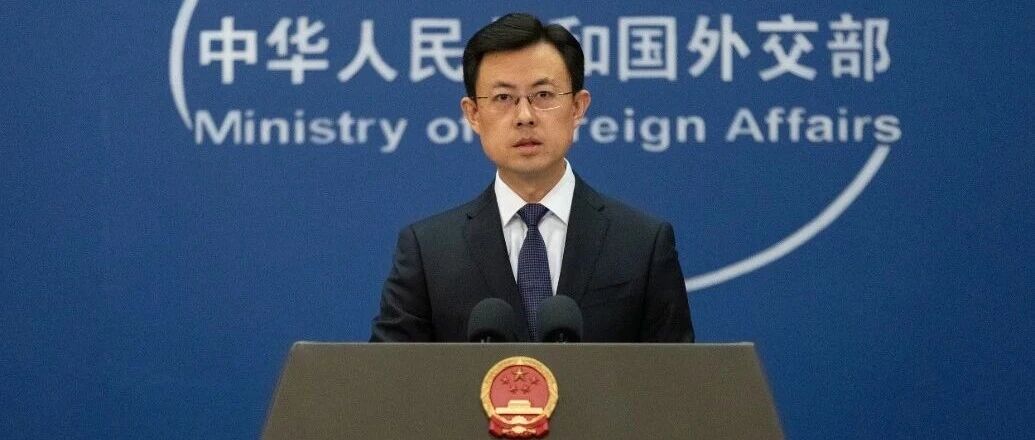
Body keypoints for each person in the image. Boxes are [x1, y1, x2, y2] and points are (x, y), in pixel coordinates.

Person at [370, 13, 692, 342]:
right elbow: (389, 372)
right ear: (473, 114)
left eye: (543, 95)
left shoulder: (642, 244)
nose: (524, 116)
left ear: (578, 107)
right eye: (503, 98)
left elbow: (676, 372)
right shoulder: (428, 252)